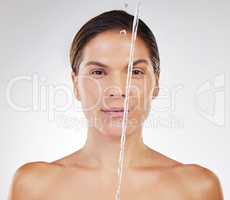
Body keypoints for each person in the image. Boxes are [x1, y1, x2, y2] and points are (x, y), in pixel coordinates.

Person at [8, 10, 223, 200]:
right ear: (75, 84)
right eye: (98, 72)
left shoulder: (197, 189)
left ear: (156, 83)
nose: (118, 90)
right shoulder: (34, 188)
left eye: (135, 72)